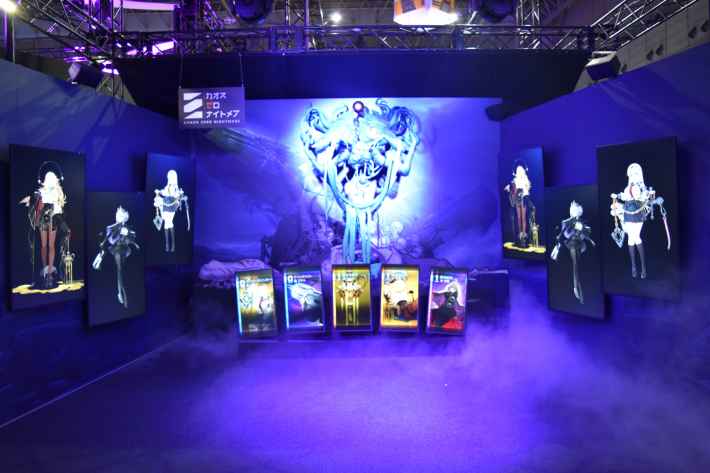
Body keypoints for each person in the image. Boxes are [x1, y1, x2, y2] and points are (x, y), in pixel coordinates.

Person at [610, 163, 667, 279]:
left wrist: (655, 199)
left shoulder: (642, 187)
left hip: (638, 214)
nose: (633, 176)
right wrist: (617, 195)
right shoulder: (627, 188)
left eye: (636, 173)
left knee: (636, 237)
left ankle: (643, 267)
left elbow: (648, 199)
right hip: (627, 213)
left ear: (639, 174)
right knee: (631, 240)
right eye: (631, 174)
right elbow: (624, 196)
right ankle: (634, 267)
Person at [19, 169, 70, 289]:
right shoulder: (40, 191)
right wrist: (29, 200)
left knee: (51, 245)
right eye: (48, 179)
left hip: (53, 218)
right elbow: (33, 200)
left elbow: (59, 208)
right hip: (43, 218)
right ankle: (45, 269)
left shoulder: (57, 192)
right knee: (44, 245)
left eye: (52, 179)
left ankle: (49, 273)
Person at [92, 206, 140, 308]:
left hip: (124, 250)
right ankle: (120, 292)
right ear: (118, 217)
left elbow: (131, 238)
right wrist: (119, 234)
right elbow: (110, 238)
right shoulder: (112, 227)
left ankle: (121, 292)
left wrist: (132, 241)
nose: (122, 219)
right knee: (119, 270)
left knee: (121, 270)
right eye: (120, 216)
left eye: (123, 217)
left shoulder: (126, 227)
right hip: (116, 250)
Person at [551, 201, 596, 304]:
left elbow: (586, 233)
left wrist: (582, 231)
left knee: (577, 266)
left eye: (577, 210)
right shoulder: (566, 222)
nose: (576, 212)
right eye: (574, 209)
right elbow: (565, 234)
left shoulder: (582, 221)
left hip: (580, 245)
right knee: (575, 265)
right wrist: (575, 230)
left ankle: (579, 291)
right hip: (571, 244)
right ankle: (576, 288)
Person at [153, 170, 190, 253]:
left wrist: (182, 196)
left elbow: (178, 195)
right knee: (167, 224)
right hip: (166, 205)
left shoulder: (175, 187)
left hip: (172, 206)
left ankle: (171, 245)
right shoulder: (168, 186)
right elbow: (164, 192)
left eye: (170, 177)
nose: (169, 178)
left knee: (168, 223)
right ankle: (169, 245)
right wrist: (159, 191)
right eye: (169, 177)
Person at [503, 161, 536, 248]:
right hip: (517, 199)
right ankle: (520, 234)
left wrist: (525, 189)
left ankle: (524, 236)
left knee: (523, 217)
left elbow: (528, 189)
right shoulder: (515, 180)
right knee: (518, 218)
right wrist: (509, 188)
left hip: (524, 199)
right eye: (518, 171)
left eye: (521, 170)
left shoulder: (525, 179)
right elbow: (512, 189)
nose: (519, 172)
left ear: (523, 171)